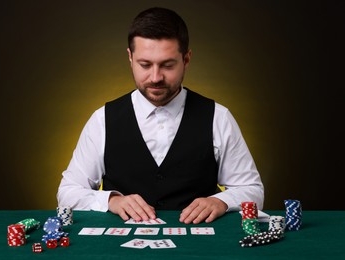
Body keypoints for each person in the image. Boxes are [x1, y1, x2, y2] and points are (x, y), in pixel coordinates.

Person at [57, 7, 264, 224]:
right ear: (130, 57)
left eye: (167, 65)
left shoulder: (219, 118)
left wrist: (222, 201)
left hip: (199, 249)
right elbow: (67, 193)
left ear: (186, 59)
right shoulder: (102, 120)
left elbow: (252, 190)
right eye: (145, 65)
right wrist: (111, 200)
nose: (155, 77)